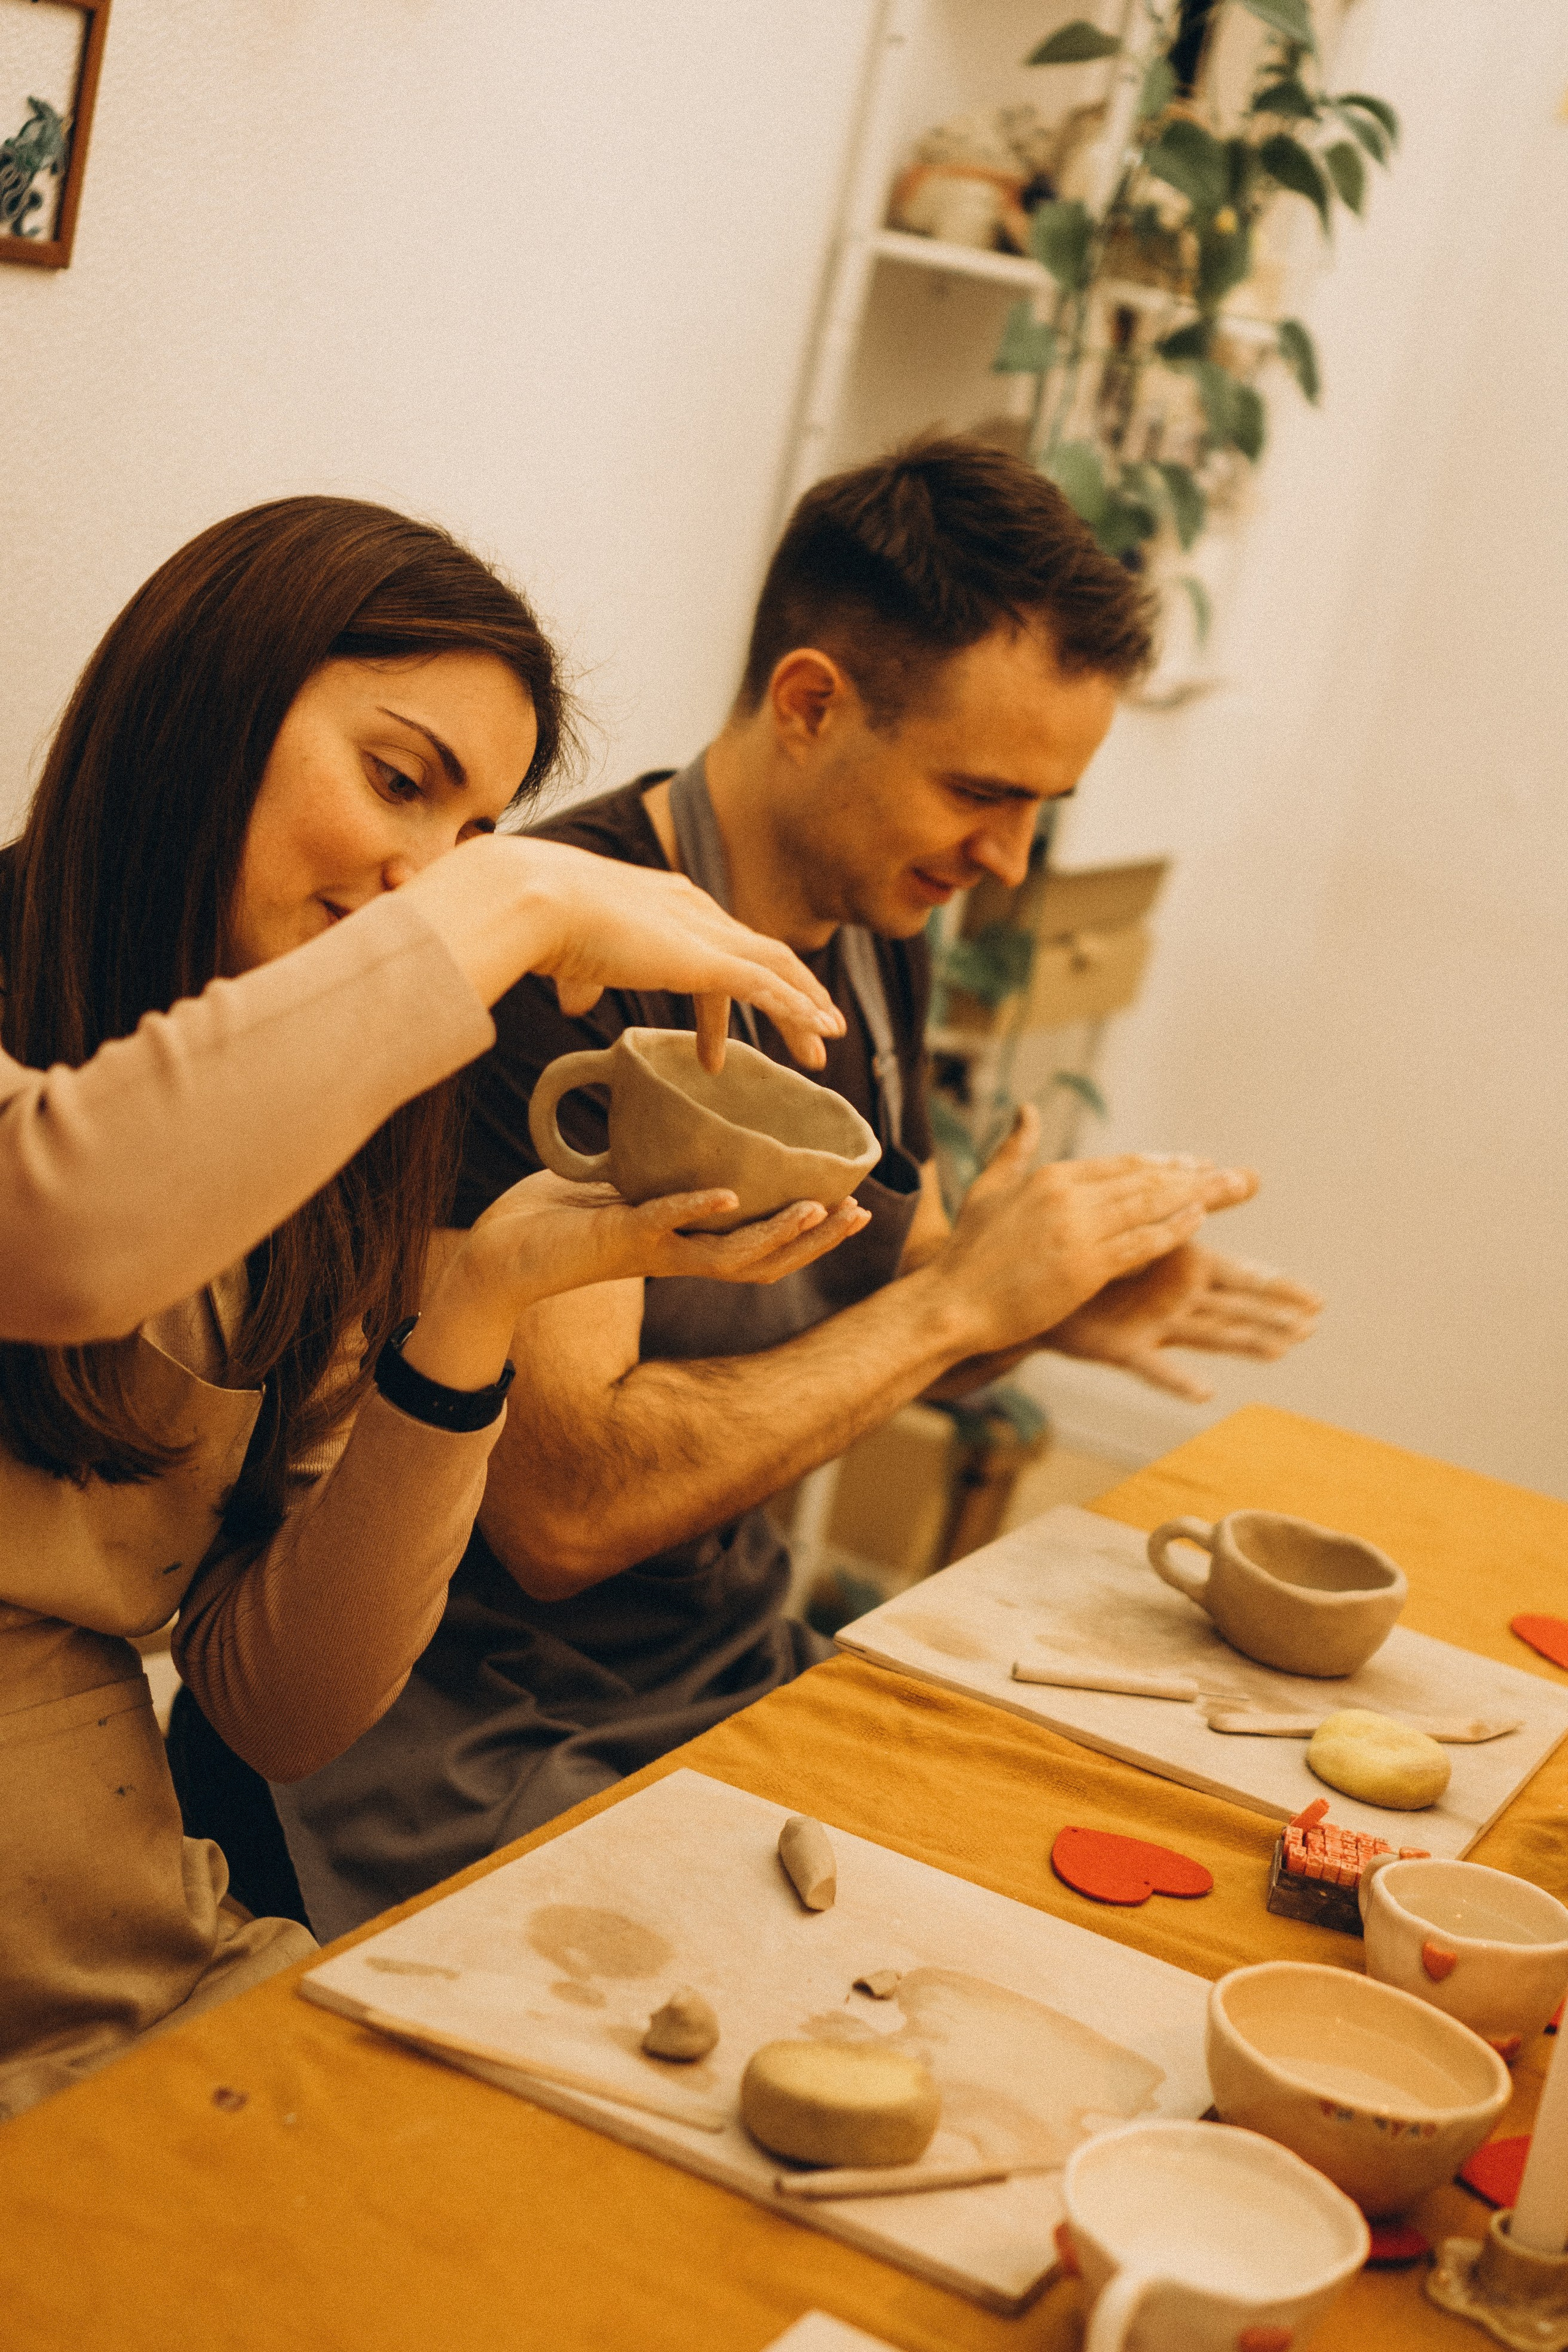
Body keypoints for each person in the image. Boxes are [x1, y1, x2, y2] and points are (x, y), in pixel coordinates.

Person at [244, 437, 1322, 1941]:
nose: (1005, 861)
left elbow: (900, 1288)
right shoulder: (541, 968)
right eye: (980, 792)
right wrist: (957, 1312)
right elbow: (562, 1510)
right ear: (810, 704)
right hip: (464, 1738)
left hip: (723, 1664)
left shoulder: (868, 909)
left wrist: (1047, 1303)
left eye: (1039, 809)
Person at [0, 492, 854, 2120]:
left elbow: (280, 1705)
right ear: (208, 710)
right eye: (400, 782)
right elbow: (58, 1228)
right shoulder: (91, 1141)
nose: (425, 875)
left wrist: (476, 1312)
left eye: (473, 836)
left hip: (115, 1960)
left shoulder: (317, 1163)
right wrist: (513, 904)